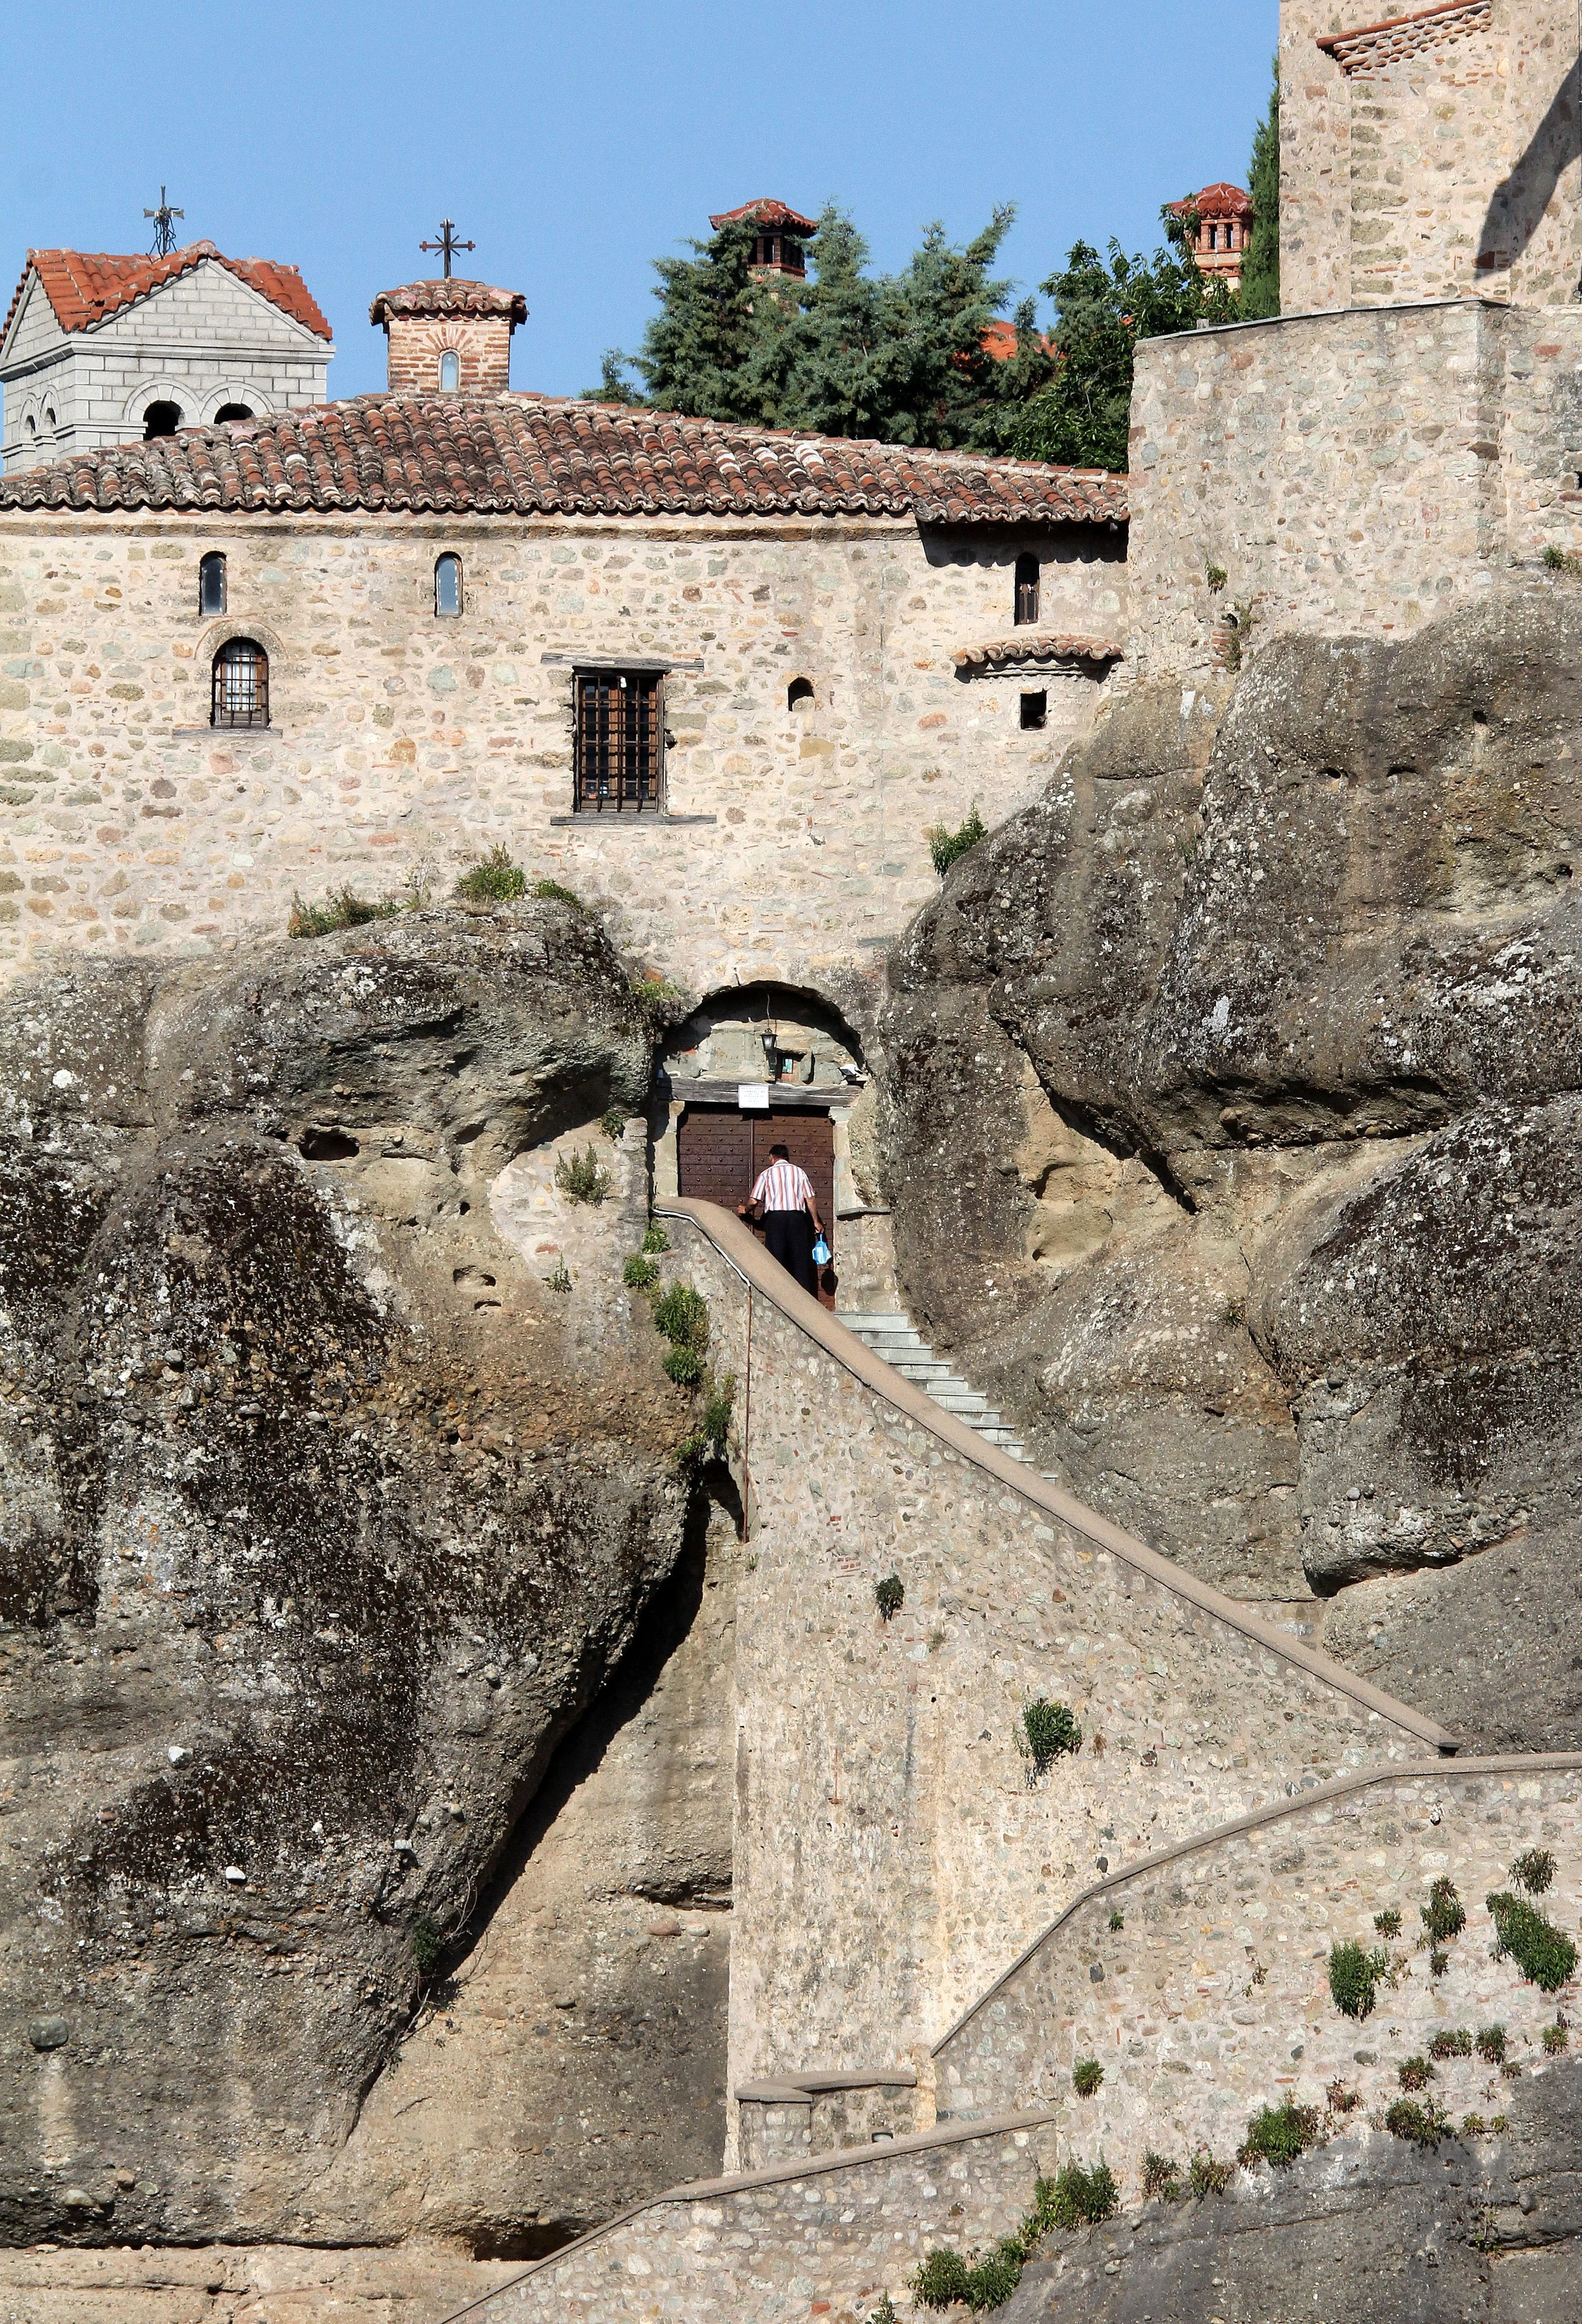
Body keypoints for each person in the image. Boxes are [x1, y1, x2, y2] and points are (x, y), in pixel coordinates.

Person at [740, 1142, 824, 1294]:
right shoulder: (799, 1172)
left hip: (775, 1219)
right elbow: (810, 1199)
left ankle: (776, 1295)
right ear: (787, 1157)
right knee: (800, 1260)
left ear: (772, 1158)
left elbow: (754, 1201)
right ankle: (803, 1299)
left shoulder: (767, 1174)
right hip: (797, 1219)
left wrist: (745, 1210)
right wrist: (816, 1222)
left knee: (775, 1259)